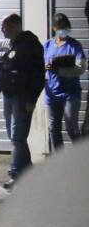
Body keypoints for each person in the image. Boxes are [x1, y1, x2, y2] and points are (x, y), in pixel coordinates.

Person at [0, 14, 45, 187]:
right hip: (8, 96)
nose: (1, 30)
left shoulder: (30, 44)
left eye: (4, 26)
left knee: (18, 137)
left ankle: (16, 174)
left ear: (14, 26)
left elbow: (38, 75)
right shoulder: (5, 45)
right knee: (14, 137)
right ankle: (29, 174)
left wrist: (31, 99)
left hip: (22, 97)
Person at [43, 13, 86, 150]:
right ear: (54, 28)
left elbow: (81, 68)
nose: (64, 30)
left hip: (70, 94)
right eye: (61, 27)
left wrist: (60, 71)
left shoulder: (75, 46)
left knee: (71, 128)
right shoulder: (47, 45)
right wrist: (46, 66)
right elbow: (40, 65)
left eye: (66, 27)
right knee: (53, 129)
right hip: (51, 94)